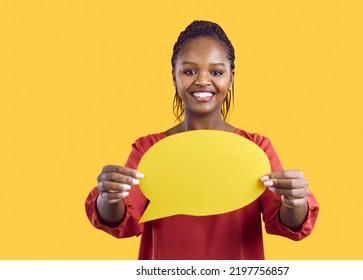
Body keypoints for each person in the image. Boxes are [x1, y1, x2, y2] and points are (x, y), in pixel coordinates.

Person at [85, 20, 319, 260]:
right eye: (189, 71)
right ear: (174, 76)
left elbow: (287, 222)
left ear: (231, 77)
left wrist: (295, 201)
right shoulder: (148, 149)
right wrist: (108, 197)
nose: (203, 81)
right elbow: (120, 219)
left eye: (216, 72)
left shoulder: (256, 148)